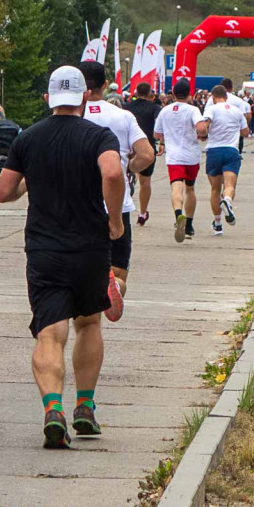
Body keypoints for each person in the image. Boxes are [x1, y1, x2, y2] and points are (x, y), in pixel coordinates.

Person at [0, 65, 125, 448]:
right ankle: (85, 406)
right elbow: (114, 174)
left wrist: (26, 184)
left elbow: (3, 192)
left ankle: (53, 408)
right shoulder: (99, 136)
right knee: (89, 326)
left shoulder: (29, 138)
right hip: (89, 248)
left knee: (51, 333)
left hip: (44, 250)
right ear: (85, 96)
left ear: (48, 98)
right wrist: (114, 221)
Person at [79, 62, 154, 316]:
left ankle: (91, 295)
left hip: (79, 204)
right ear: (104, 85)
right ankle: (114, 285)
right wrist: (129, 166)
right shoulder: (122, 116)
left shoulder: (71, 114)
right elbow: (147, 154)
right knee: (118, 268)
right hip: (117, 203)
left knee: (82, 264)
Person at [153, 78, 205, 243]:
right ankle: (189, 225)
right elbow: (202, 128)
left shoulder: (165, 111)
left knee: (176, 187)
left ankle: (178, 215)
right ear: (190, 94)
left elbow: (156, 134)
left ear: (173, 94)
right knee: (190, 189)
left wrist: (164, 139)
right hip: (191, 156)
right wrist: (201, 134)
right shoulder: (193, 110)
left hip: (174, 156)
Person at [201, 85, 249, 236]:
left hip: (214, 151)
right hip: (231, 150)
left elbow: (204, 127)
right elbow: (246, 132)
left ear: (213, 97)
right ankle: (227, 201)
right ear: (226, 96)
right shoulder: (237, 111)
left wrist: (203, 133)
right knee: (229, 185)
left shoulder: (212, 109)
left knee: (215, 189)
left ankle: (217, 223)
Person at [123, 81, 162, 226]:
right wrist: (161, 141)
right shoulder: (154, 107)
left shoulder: (126, 107)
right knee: (146, 182)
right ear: (150, 94)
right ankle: (142, 213)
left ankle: (132, 179)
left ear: (136, 93)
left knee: (126, 173)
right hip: (146, 146)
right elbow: (159, 124)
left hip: (129, 146)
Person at [221, 78, 251, 155]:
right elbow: (243, 116)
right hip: (234, 131)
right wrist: (244, 128)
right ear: (231, 88)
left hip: (218, 135)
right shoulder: (238, 101)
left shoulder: (212, 99)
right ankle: (239, 153)